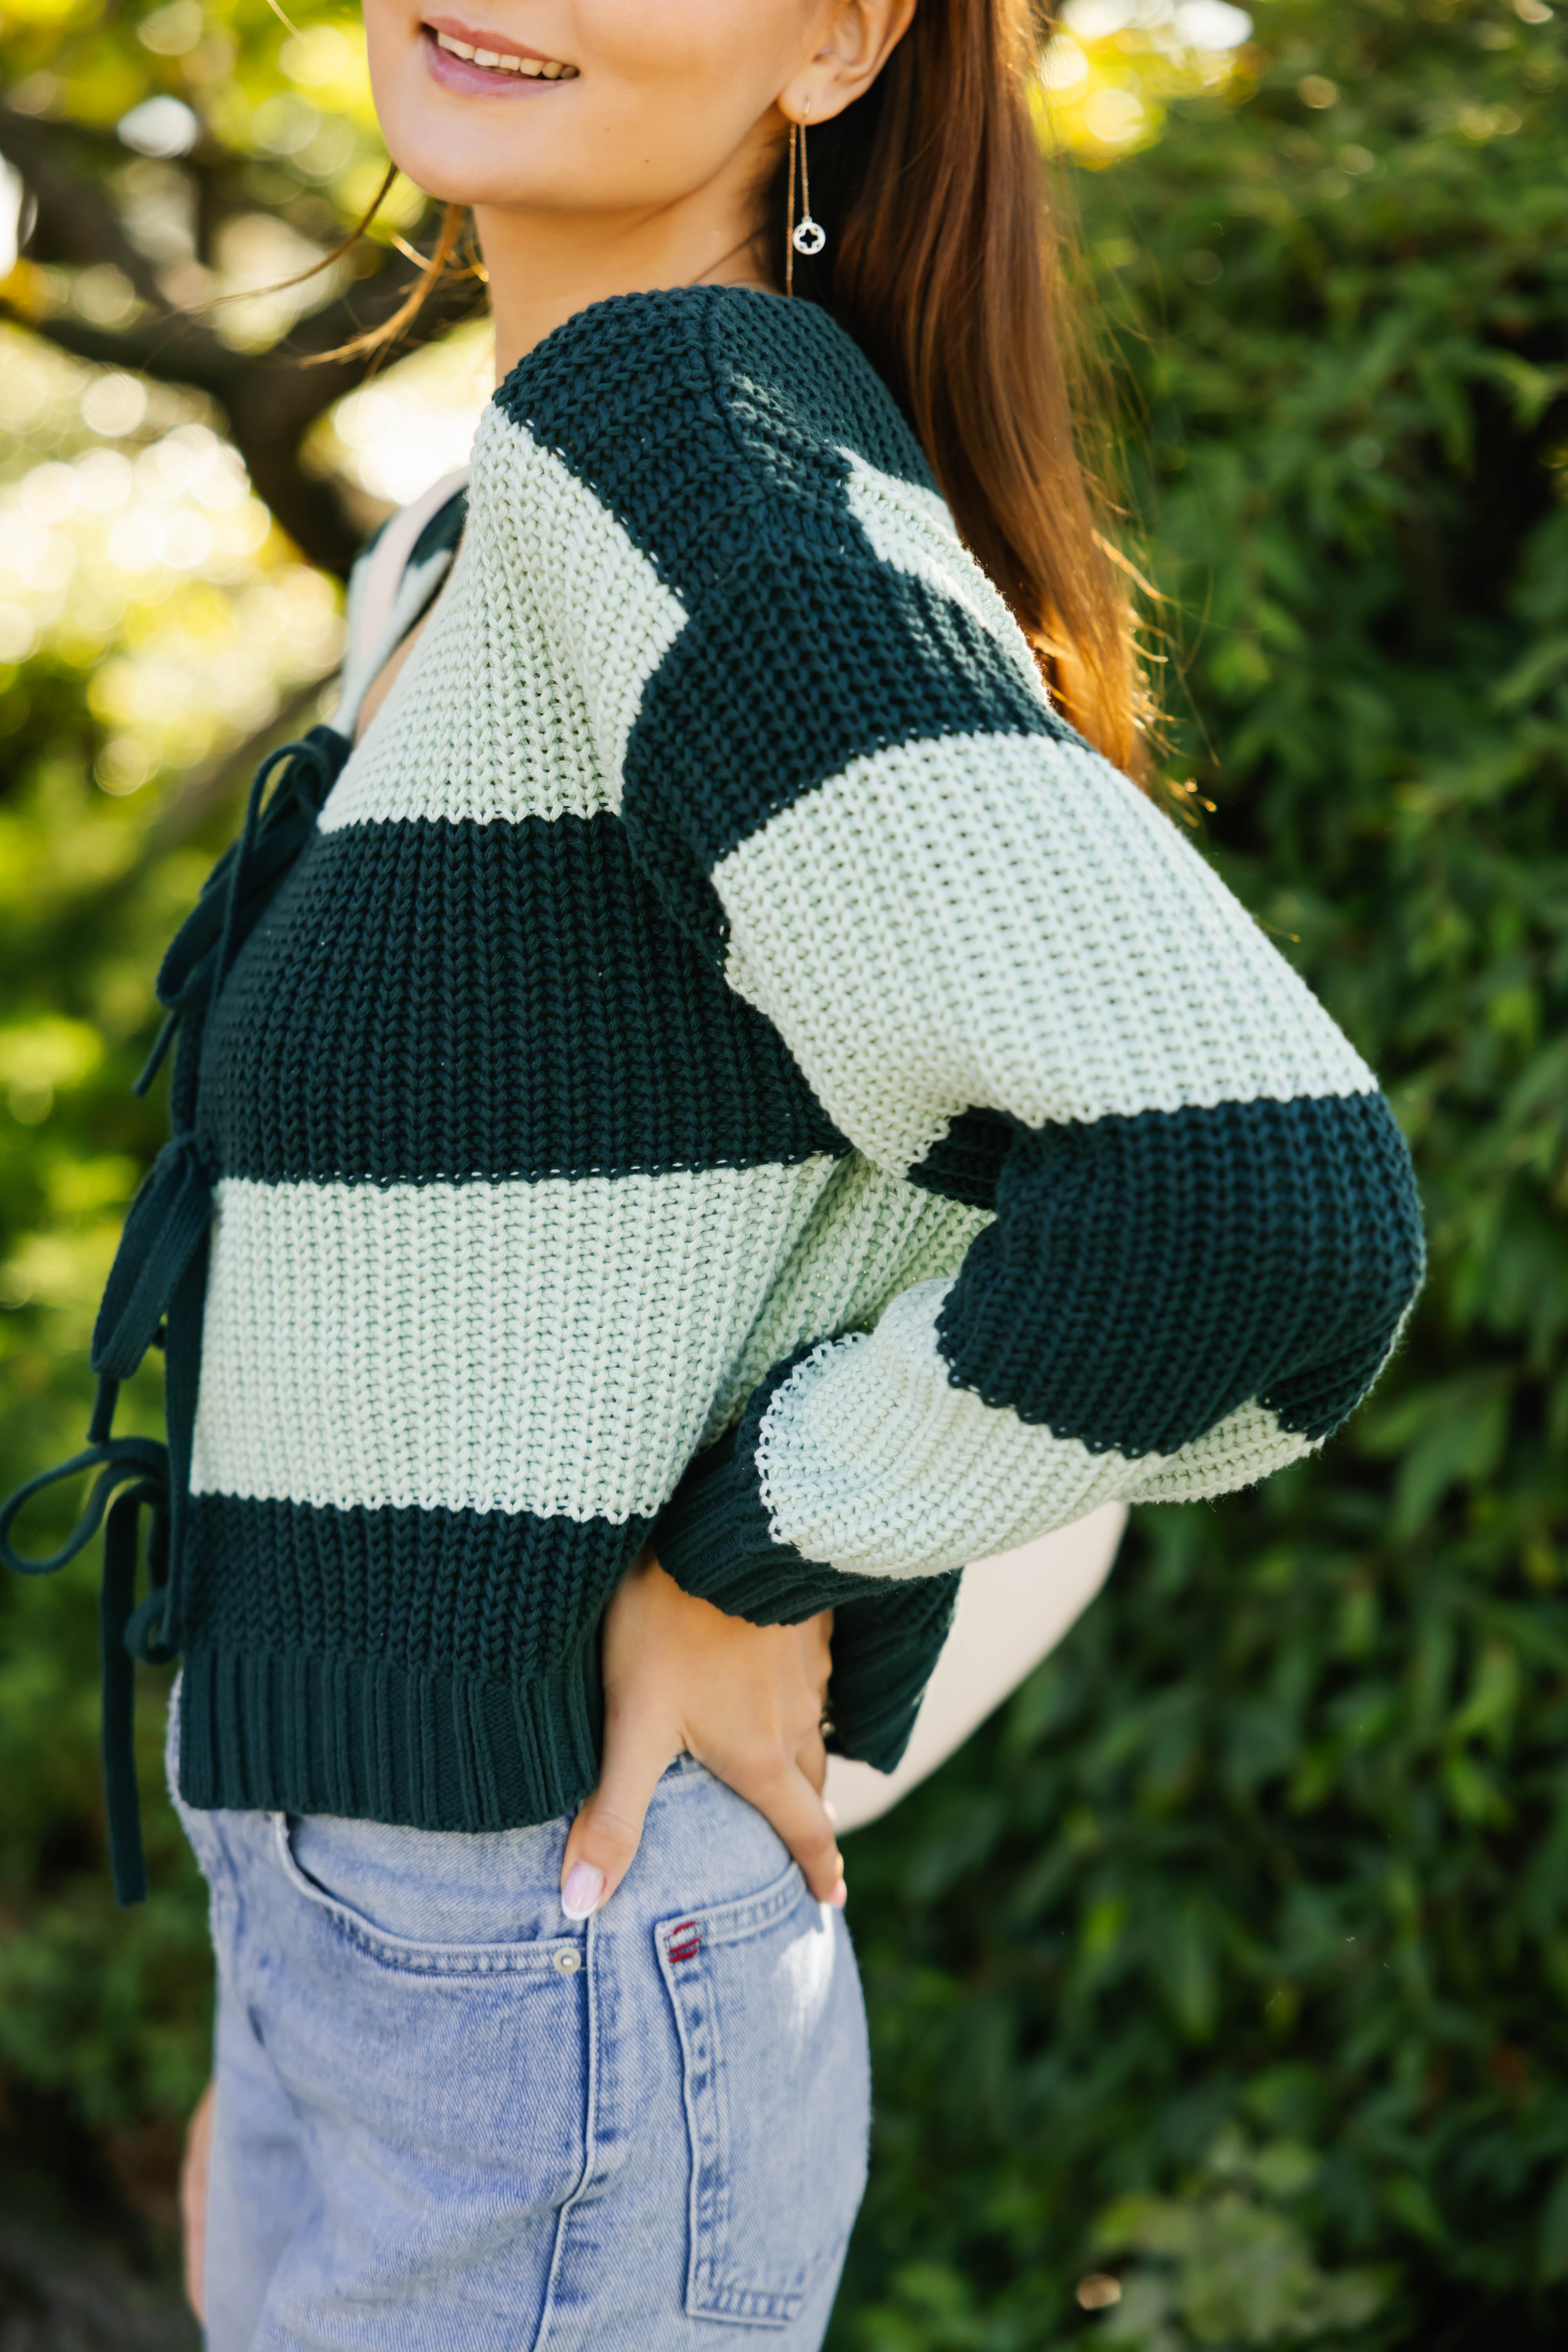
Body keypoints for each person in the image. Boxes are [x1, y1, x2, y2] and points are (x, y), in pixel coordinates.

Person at [1, 0, 1426, 2341]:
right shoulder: (477, 528)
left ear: (848, 45)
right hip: (381, 1937)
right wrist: (295, 1995)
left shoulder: (684, 438)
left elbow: (1249, 1194)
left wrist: (779, 1555)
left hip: (523, 1960)